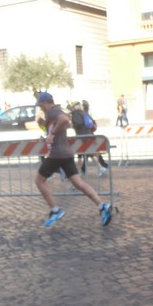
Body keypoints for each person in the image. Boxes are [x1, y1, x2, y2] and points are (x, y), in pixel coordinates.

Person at [34, 92, 113, 227]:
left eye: (41, 106)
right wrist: (48, 132)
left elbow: (64, 119)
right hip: (67, 154)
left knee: (39, 181)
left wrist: (51, 134)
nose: (41, 109)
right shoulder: (55, 112)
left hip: (56, 155)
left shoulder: (53, 112)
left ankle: (55, 210)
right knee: (78, 184)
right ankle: (102, 206)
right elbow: (61, 124)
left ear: (46, 102)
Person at [70, 101, 108, 177]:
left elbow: (78, 123)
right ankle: (79, 172)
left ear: (75, 107)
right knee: (85, 155)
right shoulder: (83, 113)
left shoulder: (77, 114)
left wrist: (72, 124)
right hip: (87, 135)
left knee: (83, 155)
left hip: (82, 137)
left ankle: (77, 173)